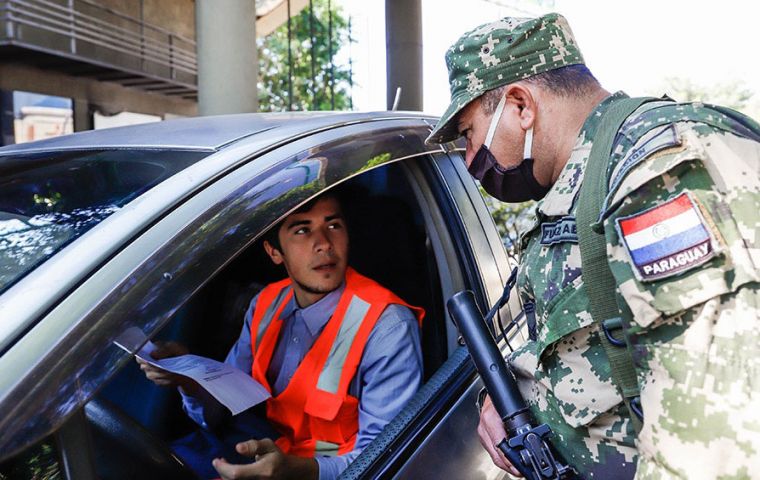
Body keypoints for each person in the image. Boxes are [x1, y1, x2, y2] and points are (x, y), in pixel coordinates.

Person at [426, 13, 760, 479]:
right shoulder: (579, 194)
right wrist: (503, 398)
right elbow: (565, 336)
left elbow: (716, 434)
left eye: (468, 134)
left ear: (521, 105)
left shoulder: (658, 175)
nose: (469, 157)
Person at [138, 191, 424, 480]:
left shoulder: (387, 327)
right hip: (271, 450)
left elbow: (385, 459)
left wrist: (296, 472)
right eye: (302, 230)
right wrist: (189, 380)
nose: (324, 244)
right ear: (275, 252)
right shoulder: (265, 304)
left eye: (333, 225)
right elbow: (225, 405)